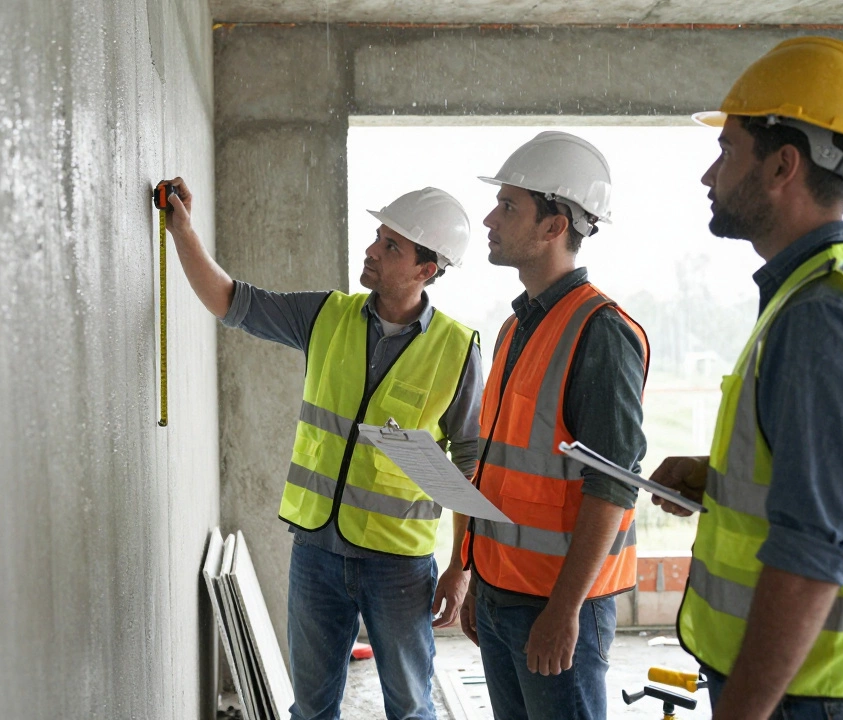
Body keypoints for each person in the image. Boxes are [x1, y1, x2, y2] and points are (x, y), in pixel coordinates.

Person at [649, 36, 843, 719]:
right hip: (808, 685)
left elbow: (816, 550)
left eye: (726, 152)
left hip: (808, 693)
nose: (708, 176)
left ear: (782, 164)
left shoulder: (823, 315)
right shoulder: (810, 295)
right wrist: (717, 478)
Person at [162, 178, 484, 720]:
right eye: (377, 238)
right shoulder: (326, 316)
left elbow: (471, 462)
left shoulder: (458, 348)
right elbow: (229, 300)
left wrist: (461, 566)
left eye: (391, 247)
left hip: (399, 564)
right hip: (316, 551)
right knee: (311, 709)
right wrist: (182, 231)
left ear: (425, 270)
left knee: (410, 707)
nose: (372, 251)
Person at [457, 131, 649, 720]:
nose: (489, 218)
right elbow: (499, 467)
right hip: (500, 590)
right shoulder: (516, 329)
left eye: (509, 205)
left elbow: (611, 484)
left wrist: (565, 611)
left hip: (556, 603)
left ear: (553, 226)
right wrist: (470, 571)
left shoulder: (600, 330)